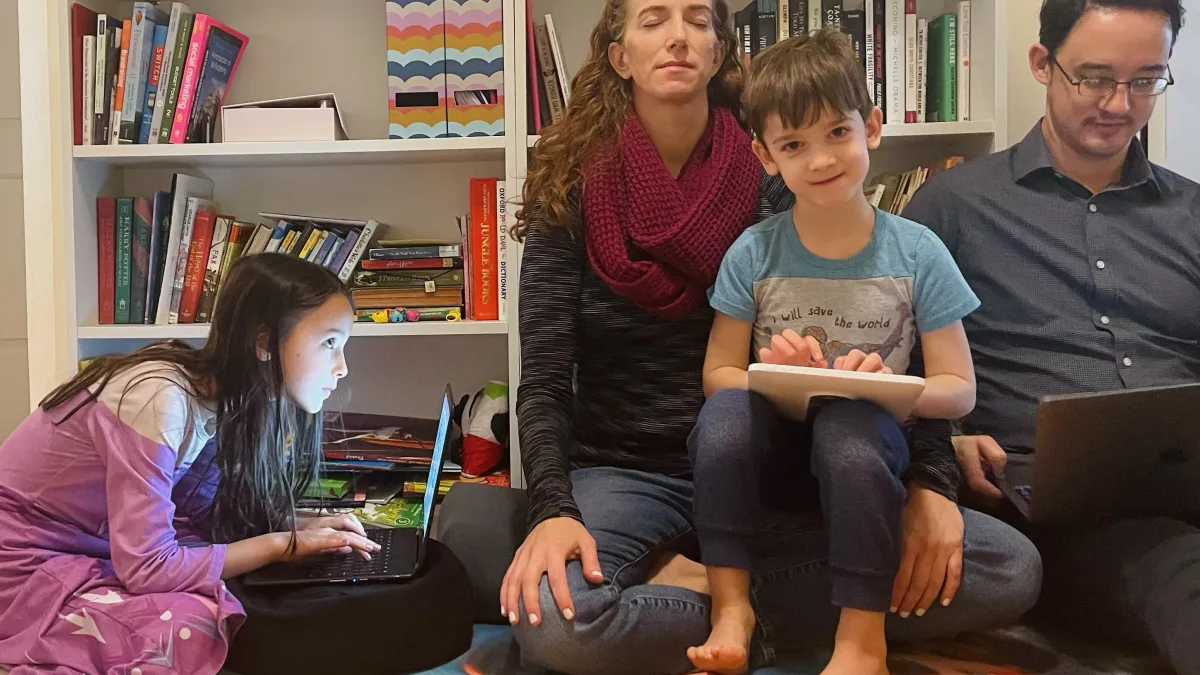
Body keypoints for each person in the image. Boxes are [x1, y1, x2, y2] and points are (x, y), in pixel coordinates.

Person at [491, 1, 1042, 673]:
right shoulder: (571, 189)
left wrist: (931, 480)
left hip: (781, 468)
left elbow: (896, 343)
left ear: (720, 50)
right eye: (653, 18)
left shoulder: (783, 170)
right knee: (557, 623)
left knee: (1007, 564)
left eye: (698, 18)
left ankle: (722, 600)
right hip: (626, 472)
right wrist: (552, 508)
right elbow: (544, 377)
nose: (677, 37)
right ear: (619, 55)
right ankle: (799, 607)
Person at [901, 1, 1200, 673]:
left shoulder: (1192, 214)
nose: (1119, 103)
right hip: (1055, 514)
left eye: (1146, 80)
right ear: (1043, 64)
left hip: (1186, 480)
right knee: (1179, 571)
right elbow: (893, 376)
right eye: (1095, 77)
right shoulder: (951, 208)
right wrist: (944, 444)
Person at [689, 29, 980, 675]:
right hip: (774, 462)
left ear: (871, 127)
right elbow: (718, 374)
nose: (820, 159)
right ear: (766, 156)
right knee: (724, 419)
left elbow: (959, 387)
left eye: (837, 134)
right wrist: (772, 375)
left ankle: (861, 641)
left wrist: (885, 386)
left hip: (867, 455)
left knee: (850, 427)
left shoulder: (918, 252)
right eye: (794, 144)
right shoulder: (754, 252)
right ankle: (732, 607)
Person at [0, 254, 377, 674]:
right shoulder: (158, 398)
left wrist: (297, 526)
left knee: (229, 591)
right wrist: (280, 544)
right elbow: (146, 568)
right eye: (329, 343)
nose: (342, 368)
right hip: (22, 564)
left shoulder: (230, 402)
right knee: (188, 624)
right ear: (265, 342)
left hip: (97, 547)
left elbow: (200, 511)